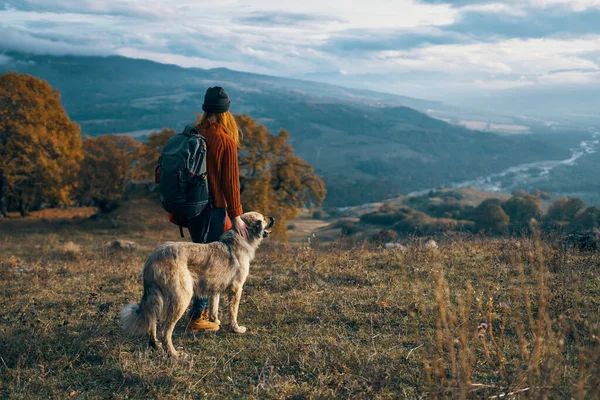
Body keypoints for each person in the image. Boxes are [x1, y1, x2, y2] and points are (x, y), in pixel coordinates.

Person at [187, 86, 248, 332]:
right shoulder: (225, 140)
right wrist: (237, 216)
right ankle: (196, 317)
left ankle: (196, 311)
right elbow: (230, 184)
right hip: (213, 210)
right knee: (208, 264)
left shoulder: (193, 134)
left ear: (205, 110)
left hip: (191, 209)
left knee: (198, 259)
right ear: (226, 113)